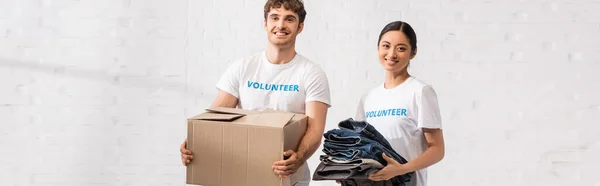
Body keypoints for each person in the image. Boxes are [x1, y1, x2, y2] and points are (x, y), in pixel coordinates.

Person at [179, 0, 331, 185]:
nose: (281, 25)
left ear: (300, 27)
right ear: (265, 24)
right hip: (241, 173)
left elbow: (315, 129)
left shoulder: (311, 73)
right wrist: (196, 142)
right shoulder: (243, 68)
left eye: (289, 19)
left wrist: (298, 157)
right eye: (274, 18)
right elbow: (214, 117)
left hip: (286, 177)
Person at [354, 21, 445, 186]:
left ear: (413, 53)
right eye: (386, 46)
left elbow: (437, 150)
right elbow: (360, 145)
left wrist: (401, 169)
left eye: (401, 48)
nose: (392, 54)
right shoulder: (368, 98)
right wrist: (349, 172)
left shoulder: (420, 92)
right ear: (378, 48)